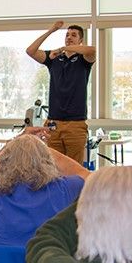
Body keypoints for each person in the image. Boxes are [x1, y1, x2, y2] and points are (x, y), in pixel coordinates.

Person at [0, 131, 88, 247]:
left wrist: (16, 142)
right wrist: (41, 149)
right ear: (48, 160)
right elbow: (87, 175)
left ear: (3, 161)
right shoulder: (64, 190)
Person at [26, 21, 95, 164]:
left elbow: (92, 50)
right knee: (54, 167)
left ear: (80, 40)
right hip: (54, 123)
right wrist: (51, 30)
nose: (69, 37)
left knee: (74, 168)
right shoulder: (54, 58)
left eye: (74, 35)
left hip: (75, 124)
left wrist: (64, 48)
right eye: (67, 35)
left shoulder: (84, 60)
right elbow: (30, 51)